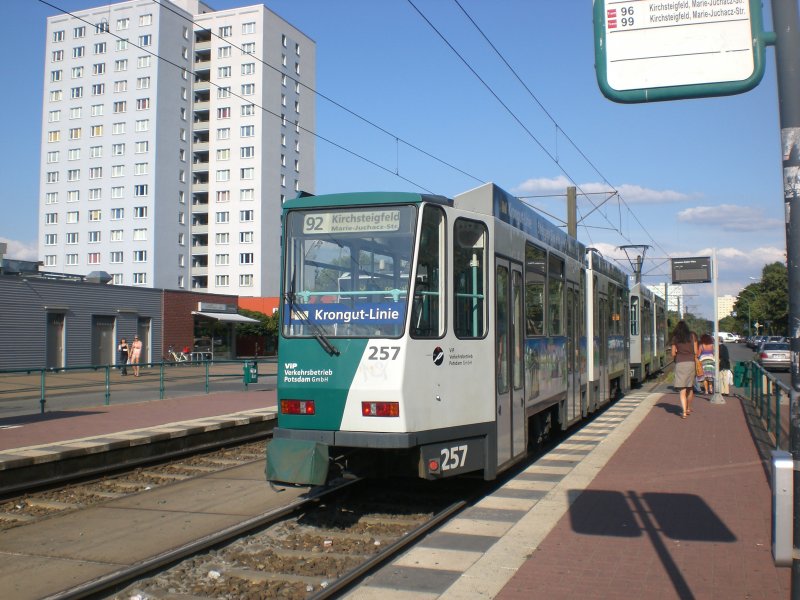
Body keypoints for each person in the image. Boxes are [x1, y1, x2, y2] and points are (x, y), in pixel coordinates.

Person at [671, 320, 698, 419]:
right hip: (691, 363)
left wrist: (678, 351)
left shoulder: (675, 338)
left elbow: (673, 353)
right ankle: (688, 407)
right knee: (690, 387)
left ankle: (683, 412)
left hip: (680, 363)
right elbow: (696, 351)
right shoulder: (692, 336)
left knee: (682, 389)